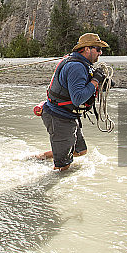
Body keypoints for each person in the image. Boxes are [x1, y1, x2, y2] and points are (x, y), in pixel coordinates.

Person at [37, 33, 110, 171]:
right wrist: (95, 81)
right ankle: (53, 167)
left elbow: (82, 87)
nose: (100, 53)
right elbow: (78, 99)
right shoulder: (76, 67)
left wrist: (101, 83)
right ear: (87, 49)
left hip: (68, 117)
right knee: (62, 168)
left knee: (80, 151)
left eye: (101, 50)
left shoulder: (83, 64)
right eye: (97, 49)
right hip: (59, 118)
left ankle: (40, 157)